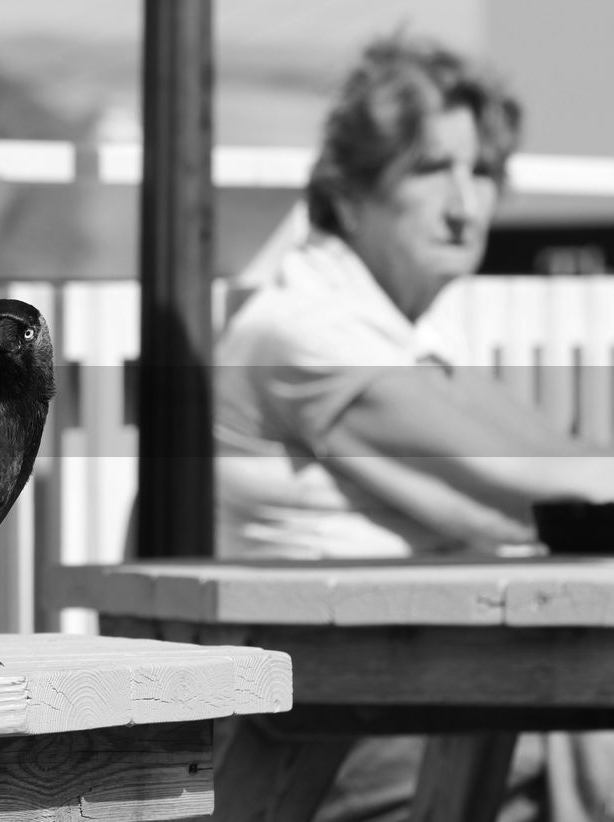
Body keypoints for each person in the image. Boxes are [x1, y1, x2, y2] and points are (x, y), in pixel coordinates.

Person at [214, 34, 614, 822]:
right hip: (342, 719)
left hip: (418, 681)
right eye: (432, 169)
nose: (466, 203)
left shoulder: (397, 331)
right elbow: (540, 479)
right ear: (354, 192)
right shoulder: (305, 328)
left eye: (483, 172)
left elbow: (558, 478)